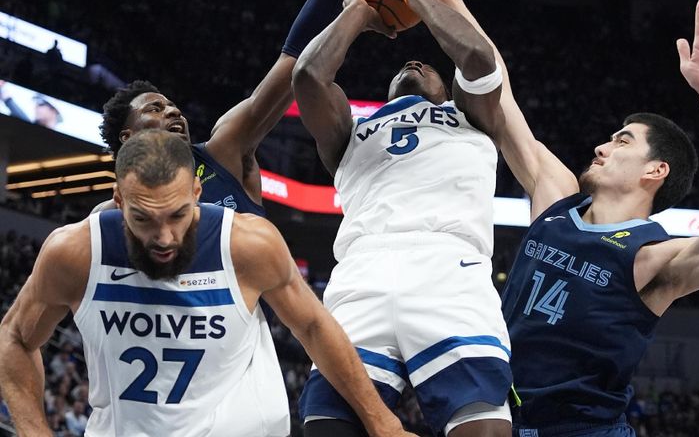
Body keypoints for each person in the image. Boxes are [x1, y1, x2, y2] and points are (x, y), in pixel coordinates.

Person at [438, 0, 699, 435]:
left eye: (622, 141)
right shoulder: (556, 201)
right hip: (502, 420)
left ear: (656, 171)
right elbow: (495, 83)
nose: (602, 147)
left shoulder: (653, 258)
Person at [0, 130, 415, 437]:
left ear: (198, 193)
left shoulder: (247, 245)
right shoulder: (75, 252)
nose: (164, 237)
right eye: (144, 219)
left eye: (178, 215)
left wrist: (383, 423)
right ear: (119, 200)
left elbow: (313, 326)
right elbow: (15, 339)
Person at [292, 0, 511, 437]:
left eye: (428, 66)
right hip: (363, 268)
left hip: (449, 265)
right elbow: (307, 76)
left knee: (482, 426)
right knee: (328, 423)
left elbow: (478, 55)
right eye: (406, 64)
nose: (416, 63)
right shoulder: (349, 129)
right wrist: (360, 9)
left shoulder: (470, 115)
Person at [97, 0, 413, 216]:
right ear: (128, 137)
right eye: (155, 108)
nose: (173, 111)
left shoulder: (224, 149)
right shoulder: (112, 214)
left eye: (169, 104)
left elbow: (291, 65)